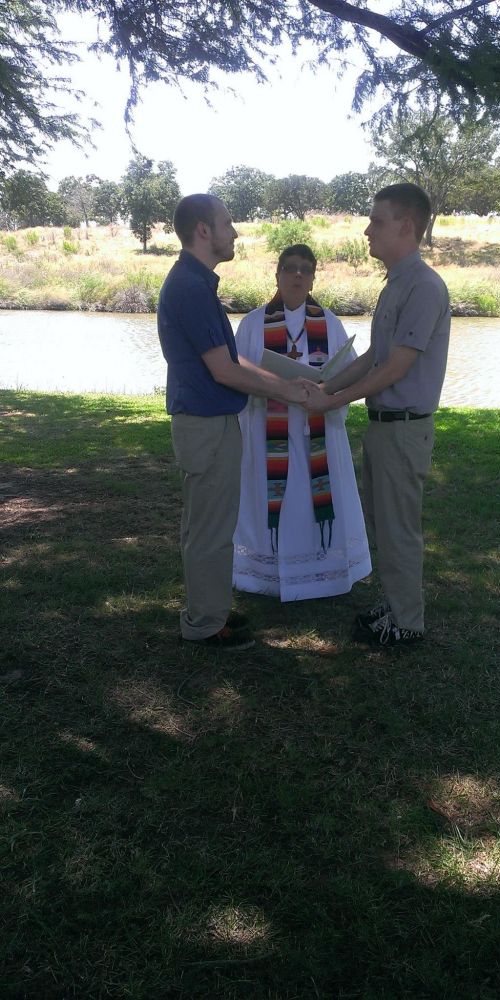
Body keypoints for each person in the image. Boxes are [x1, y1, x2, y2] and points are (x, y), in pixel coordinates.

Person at [157, 194, 308, 651]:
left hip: (211, 421)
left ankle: (211, 608)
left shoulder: (197, 284)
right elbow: (224, 372)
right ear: (203, 230)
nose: (235, 231)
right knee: (208, 529)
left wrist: (290, 378)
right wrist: (290, 392)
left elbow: (232, 359)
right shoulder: (189, 287)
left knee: (212, 525)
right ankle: (205, 623)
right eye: (227, 222)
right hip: (205, 424)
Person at [302, 183, 450, 646]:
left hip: (404, 430)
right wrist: (328, 385)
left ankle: (408, 623)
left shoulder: (424, 286)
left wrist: (331, 401)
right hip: (387, 429)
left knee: (399, 529)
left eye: (377, 220)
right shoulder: (398, 283)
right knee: (385, 525)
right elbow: (373, 358)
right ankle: (398, 603)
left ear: (405, 226)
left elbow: (396, 368)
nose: (367, 230)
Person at [233, 244, 372, 601]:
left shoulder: (328, 322)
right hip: (270, 432)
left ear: (312, 279)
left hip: (318, 431)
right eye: (290, 268)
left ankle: (321, 574)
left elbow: (348, 370)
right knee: (276, 497)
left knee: (314, 503)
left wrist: (326, 389)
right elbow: (236, 373)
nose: (297, 275)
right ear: (276, 274)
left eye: (305, 270)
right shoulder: (253, 323)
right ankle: (267, 574)